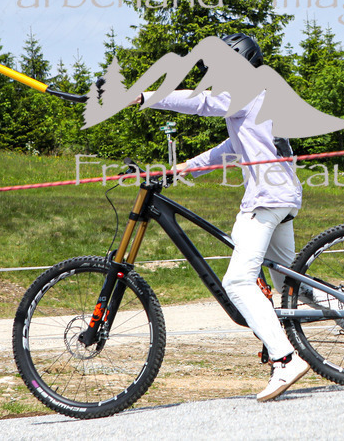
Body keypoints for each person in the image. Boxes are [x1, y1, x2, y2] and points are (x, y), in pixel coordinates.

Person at [132, 33, 311, 402]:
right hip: (283, 196)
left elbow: (201, 103)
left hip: (266, 198)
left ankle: (285, 358)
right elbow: (232, 148)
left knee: (238, 282)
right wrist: (184, 167)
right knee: (285, 282)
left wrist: (146, 96)